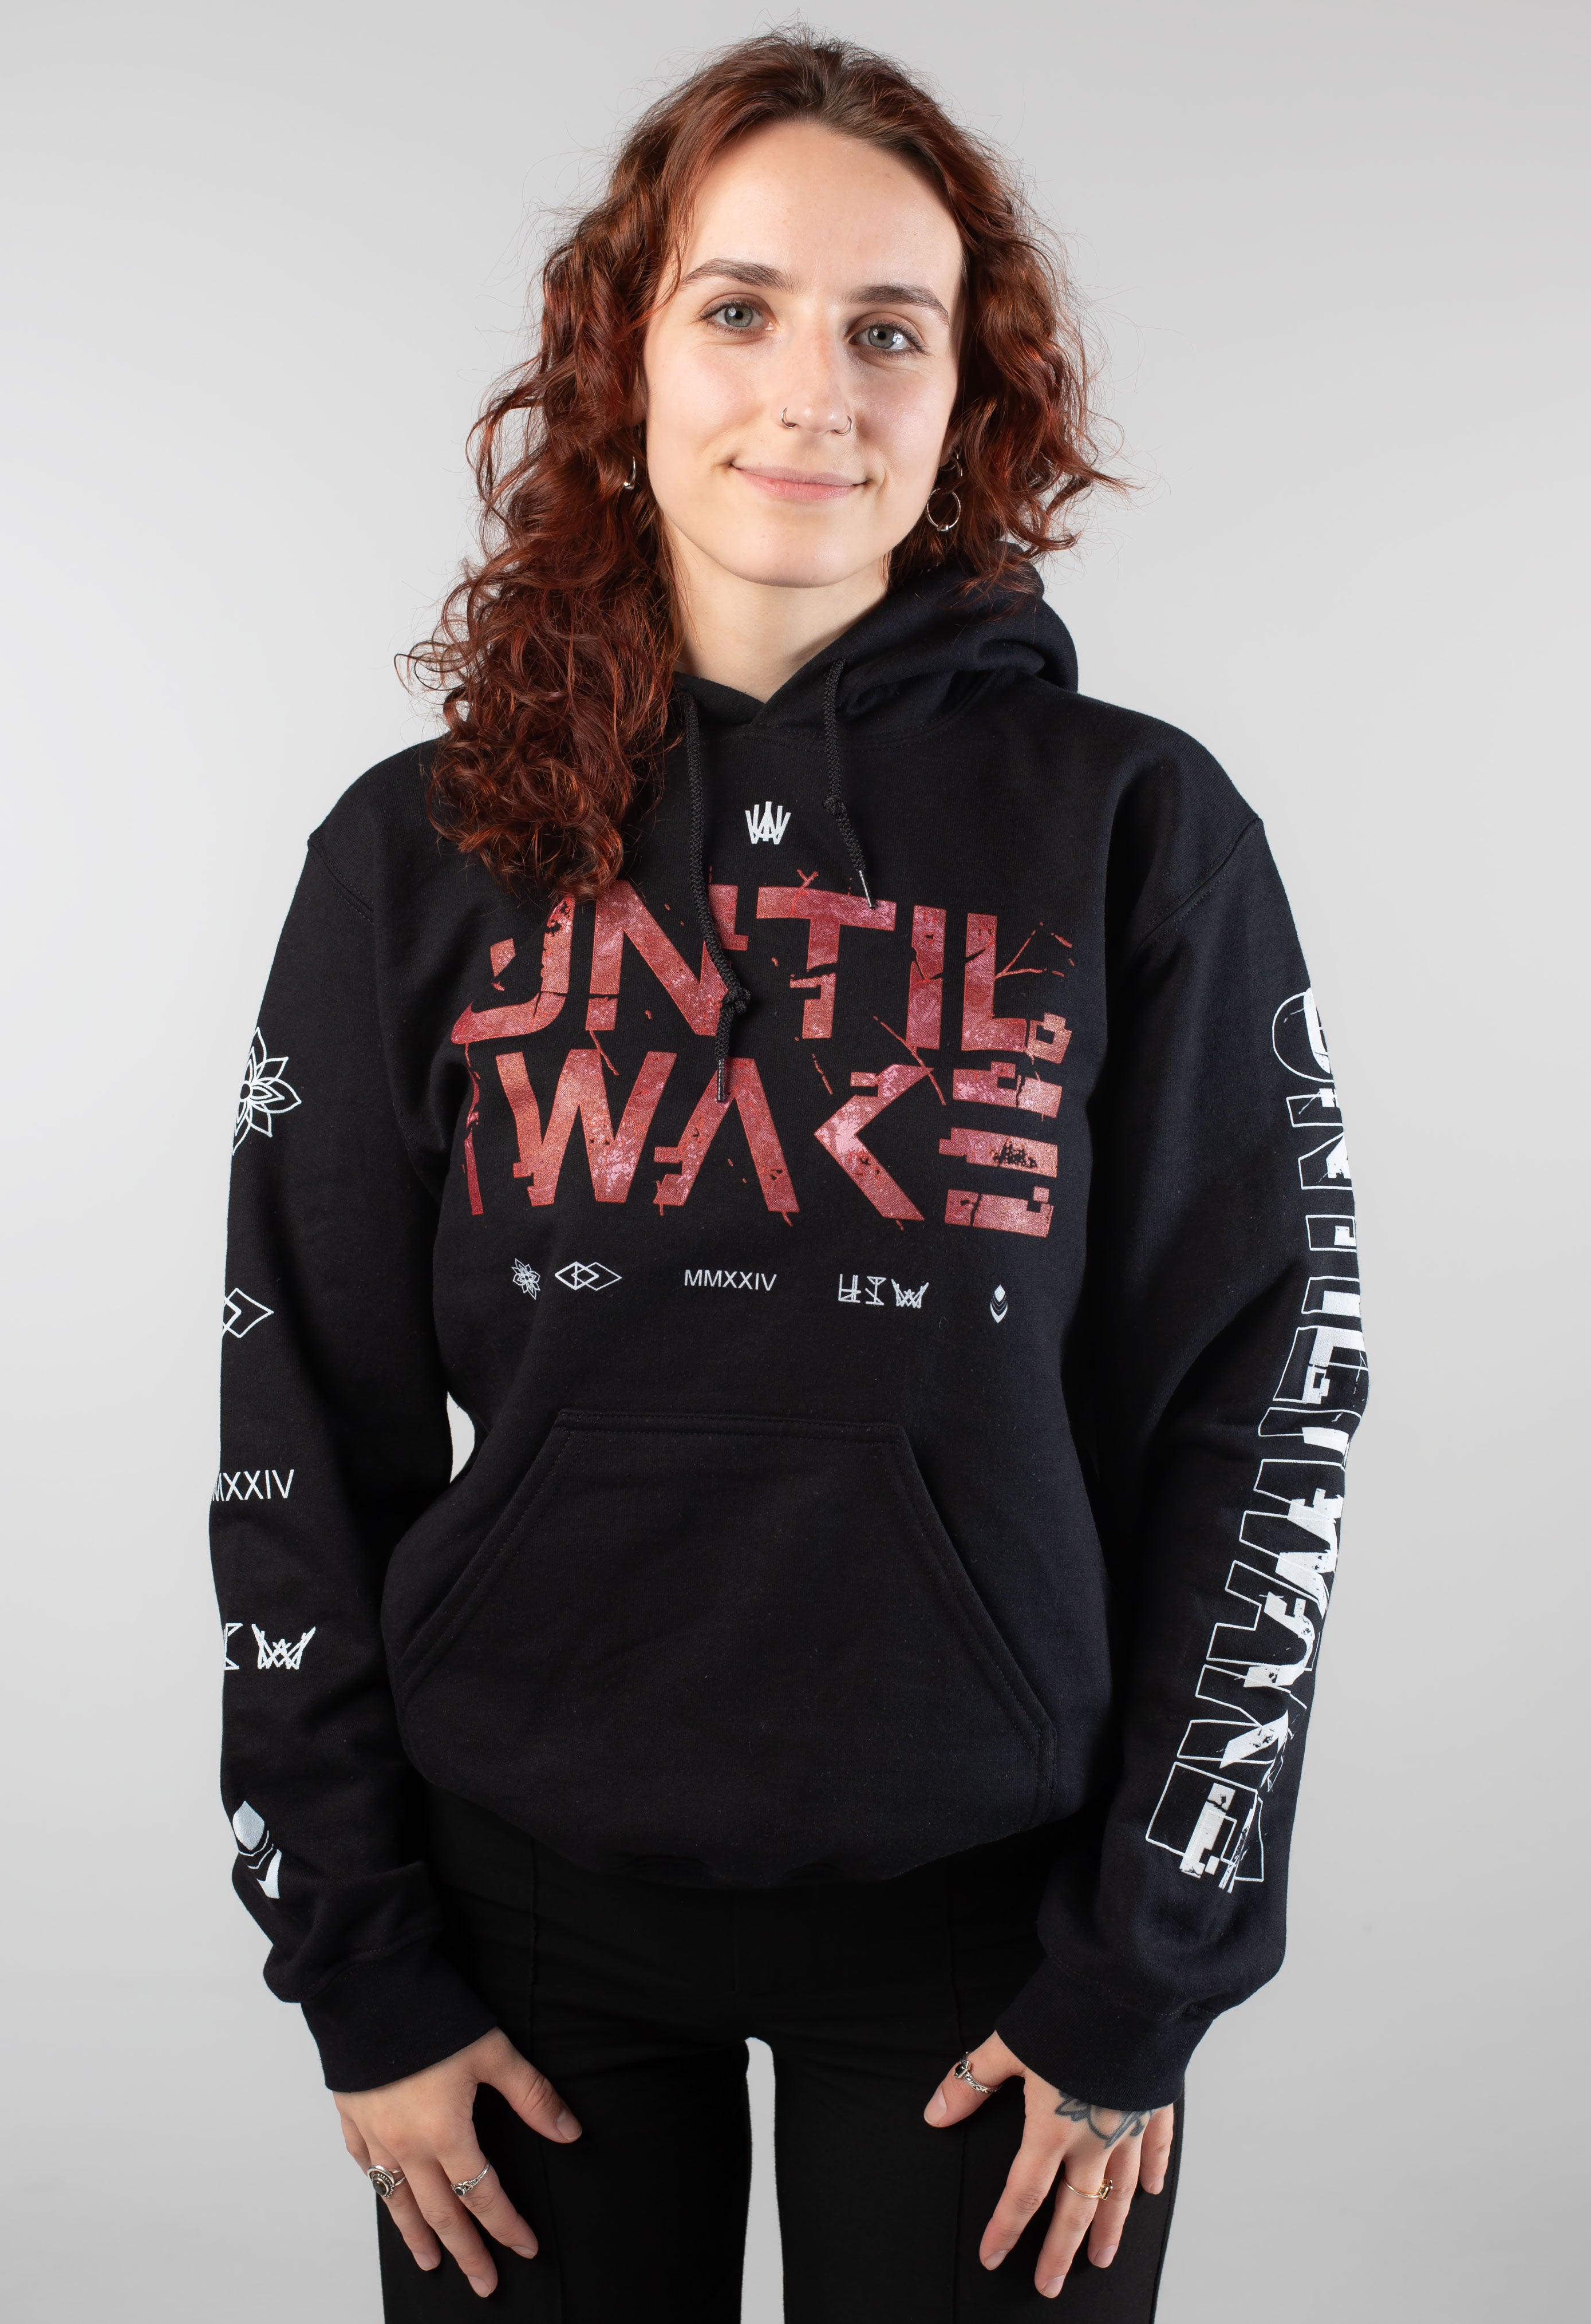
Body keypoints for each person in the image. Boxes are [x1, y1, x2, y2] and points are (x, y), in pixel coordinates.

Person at [212, 31, 1366, 2321]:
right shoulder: (418, 850)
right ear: (624, 356)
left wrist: (1142, 1963)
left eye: (888, 329)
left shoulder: (1135, 829)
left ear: (967, 398)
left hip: (996, 1932)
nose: (811, 392)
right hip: (516, 1923)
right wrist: (361, 1961)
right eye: (738, 308)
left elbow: (1264, 1412)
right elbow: (296, 1425)